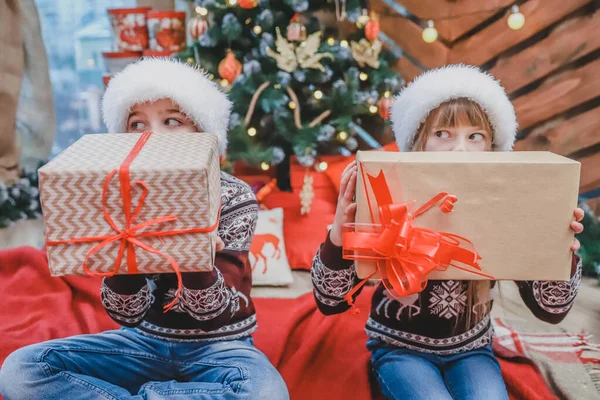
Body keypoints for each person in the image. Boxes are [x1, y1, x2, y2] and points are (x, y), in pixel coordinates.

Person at [0, 58, 289, 400]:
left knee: (266, 393)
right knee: (21, 371)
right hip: (142, 342)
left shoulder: (233, 196)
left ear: (203, 133)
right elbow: (126, 310)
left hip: (220, 346)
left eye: (172, 121)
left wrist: (196, 255)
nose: (153, 136)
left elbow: (212, 314)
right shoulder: (117, 195)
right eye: (137, 124)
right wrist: (124, 253)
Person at [311, 64, 584, 400]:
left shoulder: (504, 205)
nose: (460, 150)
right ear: (419, 143)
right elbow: (330, 299)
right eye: (443, 134)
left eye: (475, 137)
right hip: (399, 348)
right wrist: (339, 236)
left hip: (472, 350)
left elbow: (551, 309)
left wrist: (557, 243)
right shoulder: (389, 195)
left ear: (491, 147)